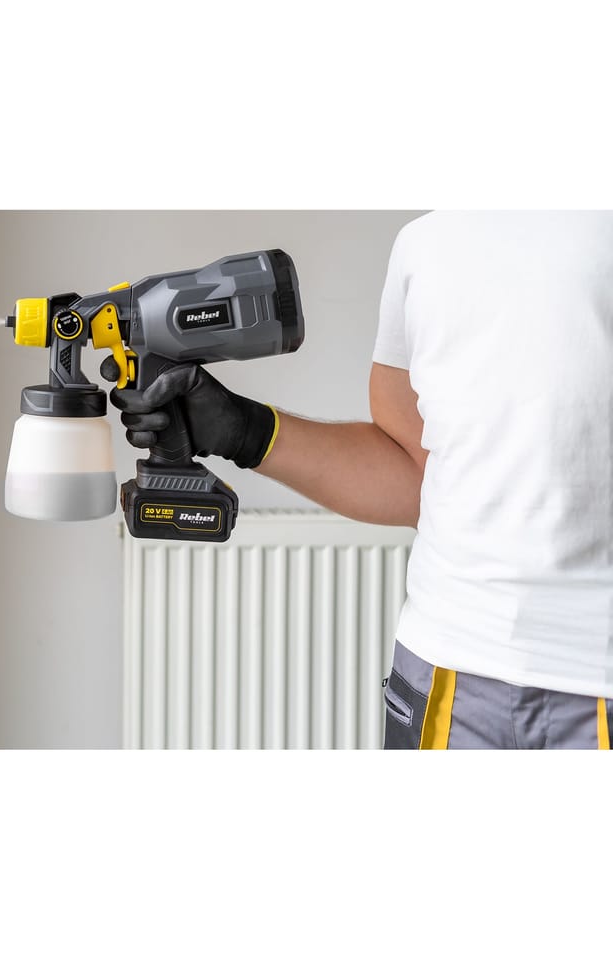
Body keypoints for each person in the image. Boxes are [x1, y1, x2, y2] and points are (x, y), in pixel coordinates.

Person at [103, 212, 613, 749]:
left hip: (595, 677)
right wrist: (244, 430)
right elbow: (419, 477)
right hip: (443, 669)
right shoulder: (425, 242)